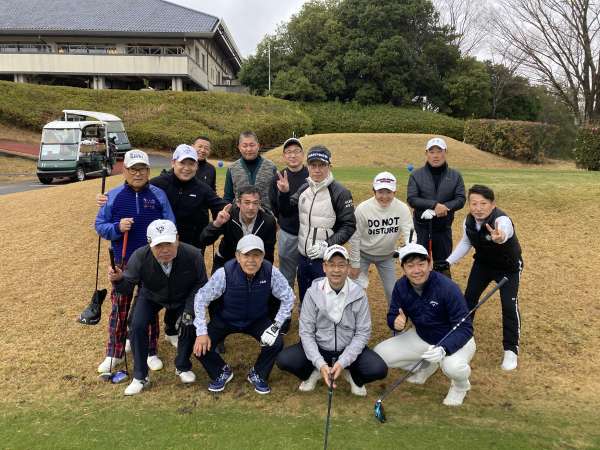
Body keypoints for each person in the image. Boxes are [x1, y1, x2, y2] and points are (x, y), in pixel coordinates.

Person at [97, 144, 227, 347]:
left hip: (171, 252)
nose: (186, 168)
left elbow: (216, 207)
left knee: (165, 295)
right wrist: (111, 213)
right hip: (140, 254)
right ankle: (124, 341)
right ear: (173, 162)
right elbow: (104, 220)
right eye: (182, 163)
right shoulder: (146, 187)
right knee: (132, 300)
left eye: (191, 163)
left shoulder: (190, 190)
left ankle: (162, 338)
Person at [94, 149, 175, 374]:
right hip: (123, 261)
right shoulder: (113, 196)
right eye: (133, 169)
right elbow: (100, 225)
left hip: (152, 261)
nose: (137, 173)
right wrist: (117, 227)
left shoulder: (158, 195)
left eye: (142, 169)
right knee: (119, 308)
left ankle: (150, 351)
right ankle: (114, 352)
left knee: (150, 307)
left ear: (148, 171)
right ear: (125, 171)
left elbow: (170, 224)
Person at [108, 220, 208, 395]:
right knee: (137, 326)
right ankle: (140, 376)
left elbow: (201, 284)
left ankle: (182, 366)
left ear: (177, 239)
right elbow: (125, 289)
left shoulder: (193, 255)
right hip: (151, 296)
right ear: (150, 244)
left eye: (169, 243)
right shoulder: (139, 257)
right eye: (159, 245)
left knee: (188, 322)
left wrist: (189, 310)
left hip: (183, 296)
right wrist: (118, 280)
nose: (165, 250)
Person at [276, 245, 388, 396]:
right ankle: (314, 372)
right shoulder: (312, 292)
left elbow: (363, 333)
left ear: (348, 268)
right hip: (320, 347)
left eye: (341, 265)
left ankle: (353, 376)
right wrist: (319, 363)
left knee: (378, 369)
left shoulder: (359, 294)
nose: (336, 270)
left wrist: (343, 361)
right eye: (331, 264)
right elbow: (306, 332)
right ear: (324, 267)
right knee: (284, 360)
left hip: (347, 347)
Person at [373, 243, 476, 406]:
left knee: (453, 367)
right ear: (403, 268)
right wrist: (395, 323)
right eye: (410, 266)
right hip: (423, 337)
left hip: (456, 341)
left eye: (421, 264)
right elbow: (392, 315)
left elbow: (465, 328)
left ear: (430, 264)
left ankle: (460, 386)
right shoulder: (401, 286)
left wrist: (444, 348)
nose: (416, 270)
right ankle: (427, 366)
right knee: (380, 354)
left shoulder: (448, 287)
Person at [192, 235, 295, 394]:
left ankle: (258, 373)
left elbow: (289, 297)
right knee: (200, 346)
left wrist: (276, 325)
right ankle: (221, 371)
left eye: (256, 255)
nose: (251, 260)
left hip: (257, 319)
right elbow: (200, 299)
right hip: (227, 319)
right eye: (246, 255)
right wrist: (201, 332)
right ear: (238, 256)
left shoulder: (271, 272)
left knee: (276, 343)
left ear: (263, 257)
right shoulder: (224, 273)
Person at [446, 184, 523, 371]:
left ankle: (511, 350)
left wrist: (500, 237)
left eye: (483, 203)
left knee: (508, 305)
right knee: (468, 300)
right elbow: (466, 242)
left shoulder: (502, 220)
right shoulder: (468, 222)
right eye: (474, 204)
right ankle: (463, 339)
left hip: (508, 268)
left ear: (492, 205)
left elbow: (505, 232)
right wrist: (448, 262)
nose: (478, 208)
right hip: (483, 264)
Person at [277, 145, 356, 303]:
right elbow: (286, 211)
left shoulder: (340, 192)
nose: (317, 170)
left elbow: (349, 226)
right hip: (303, 256)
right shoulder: (304, 188)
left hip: (325, 259)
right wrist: (284, 194)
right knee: (306, 297)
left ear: (329, 166)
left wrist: (327, 245)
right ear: (308, 167)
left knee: (325, 301)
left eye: (322, 165)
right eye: (313, 165)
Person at [349, 171, 415, 304]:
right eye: (380, 192)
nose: (384, 196)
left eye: (388, 192)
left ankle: (395, 316)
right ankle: (354, 316)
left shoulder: (402, 208)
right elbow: (354, 238)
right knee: (356, 290)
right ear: (374, 191)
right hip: (363, 254)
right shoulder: (363, 209)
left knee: (392, 291)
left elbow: (410, 234)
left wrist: (410, 257)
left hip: (386, 256)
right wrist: (355, 264)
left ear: (394, 192)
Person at [407, 137, 465, 276]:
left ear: (445, 152)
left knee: (443, 265)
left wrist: (445, 207)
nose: (436, 155)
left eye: (439, 151)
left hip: (443, 228)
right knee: (420, 264)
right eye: (432, 152)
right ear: (426, 153)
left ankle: (443, 288)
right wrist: (434, 205)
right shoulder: (416, 175)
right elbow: (412, 199)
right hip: (422, 228)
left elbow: (460, 199)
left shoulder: (455, 175)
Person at [199, 185, 276, 272]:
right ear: (238, 203)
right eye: (247, 203)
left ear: (259, 204)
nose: (251, 207)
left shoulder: (268, 222)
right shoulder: (228, 215)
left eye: (255, 203)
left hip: (253, 265)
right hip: (226, 261)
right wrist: (217, 223)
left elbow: (268, 254)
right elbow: (205, 240)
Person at [269, 137, 309, 288]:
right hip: (288, 233)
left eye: (296, 151)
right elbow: (274, 206)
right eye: (289, 152)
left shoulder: (312, 175)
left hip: (310, 233)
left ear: (302, 154)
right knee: (286, 274)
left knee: (308, 273)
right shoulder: (277, 178)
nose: (293, 155)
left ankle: (307, 301)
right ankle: (287, 300)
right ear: (284, 156)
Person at [223, 131, 277, 214]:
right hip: (238, 218)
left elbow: (276, 197)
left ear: (258, 146)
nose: (248, 149)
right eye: (244, 146)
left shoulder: (271, 167)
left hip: (266, 217)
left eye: (252, 145)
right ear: (239, 147)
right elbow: (228, 197)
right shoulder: (232, 168)